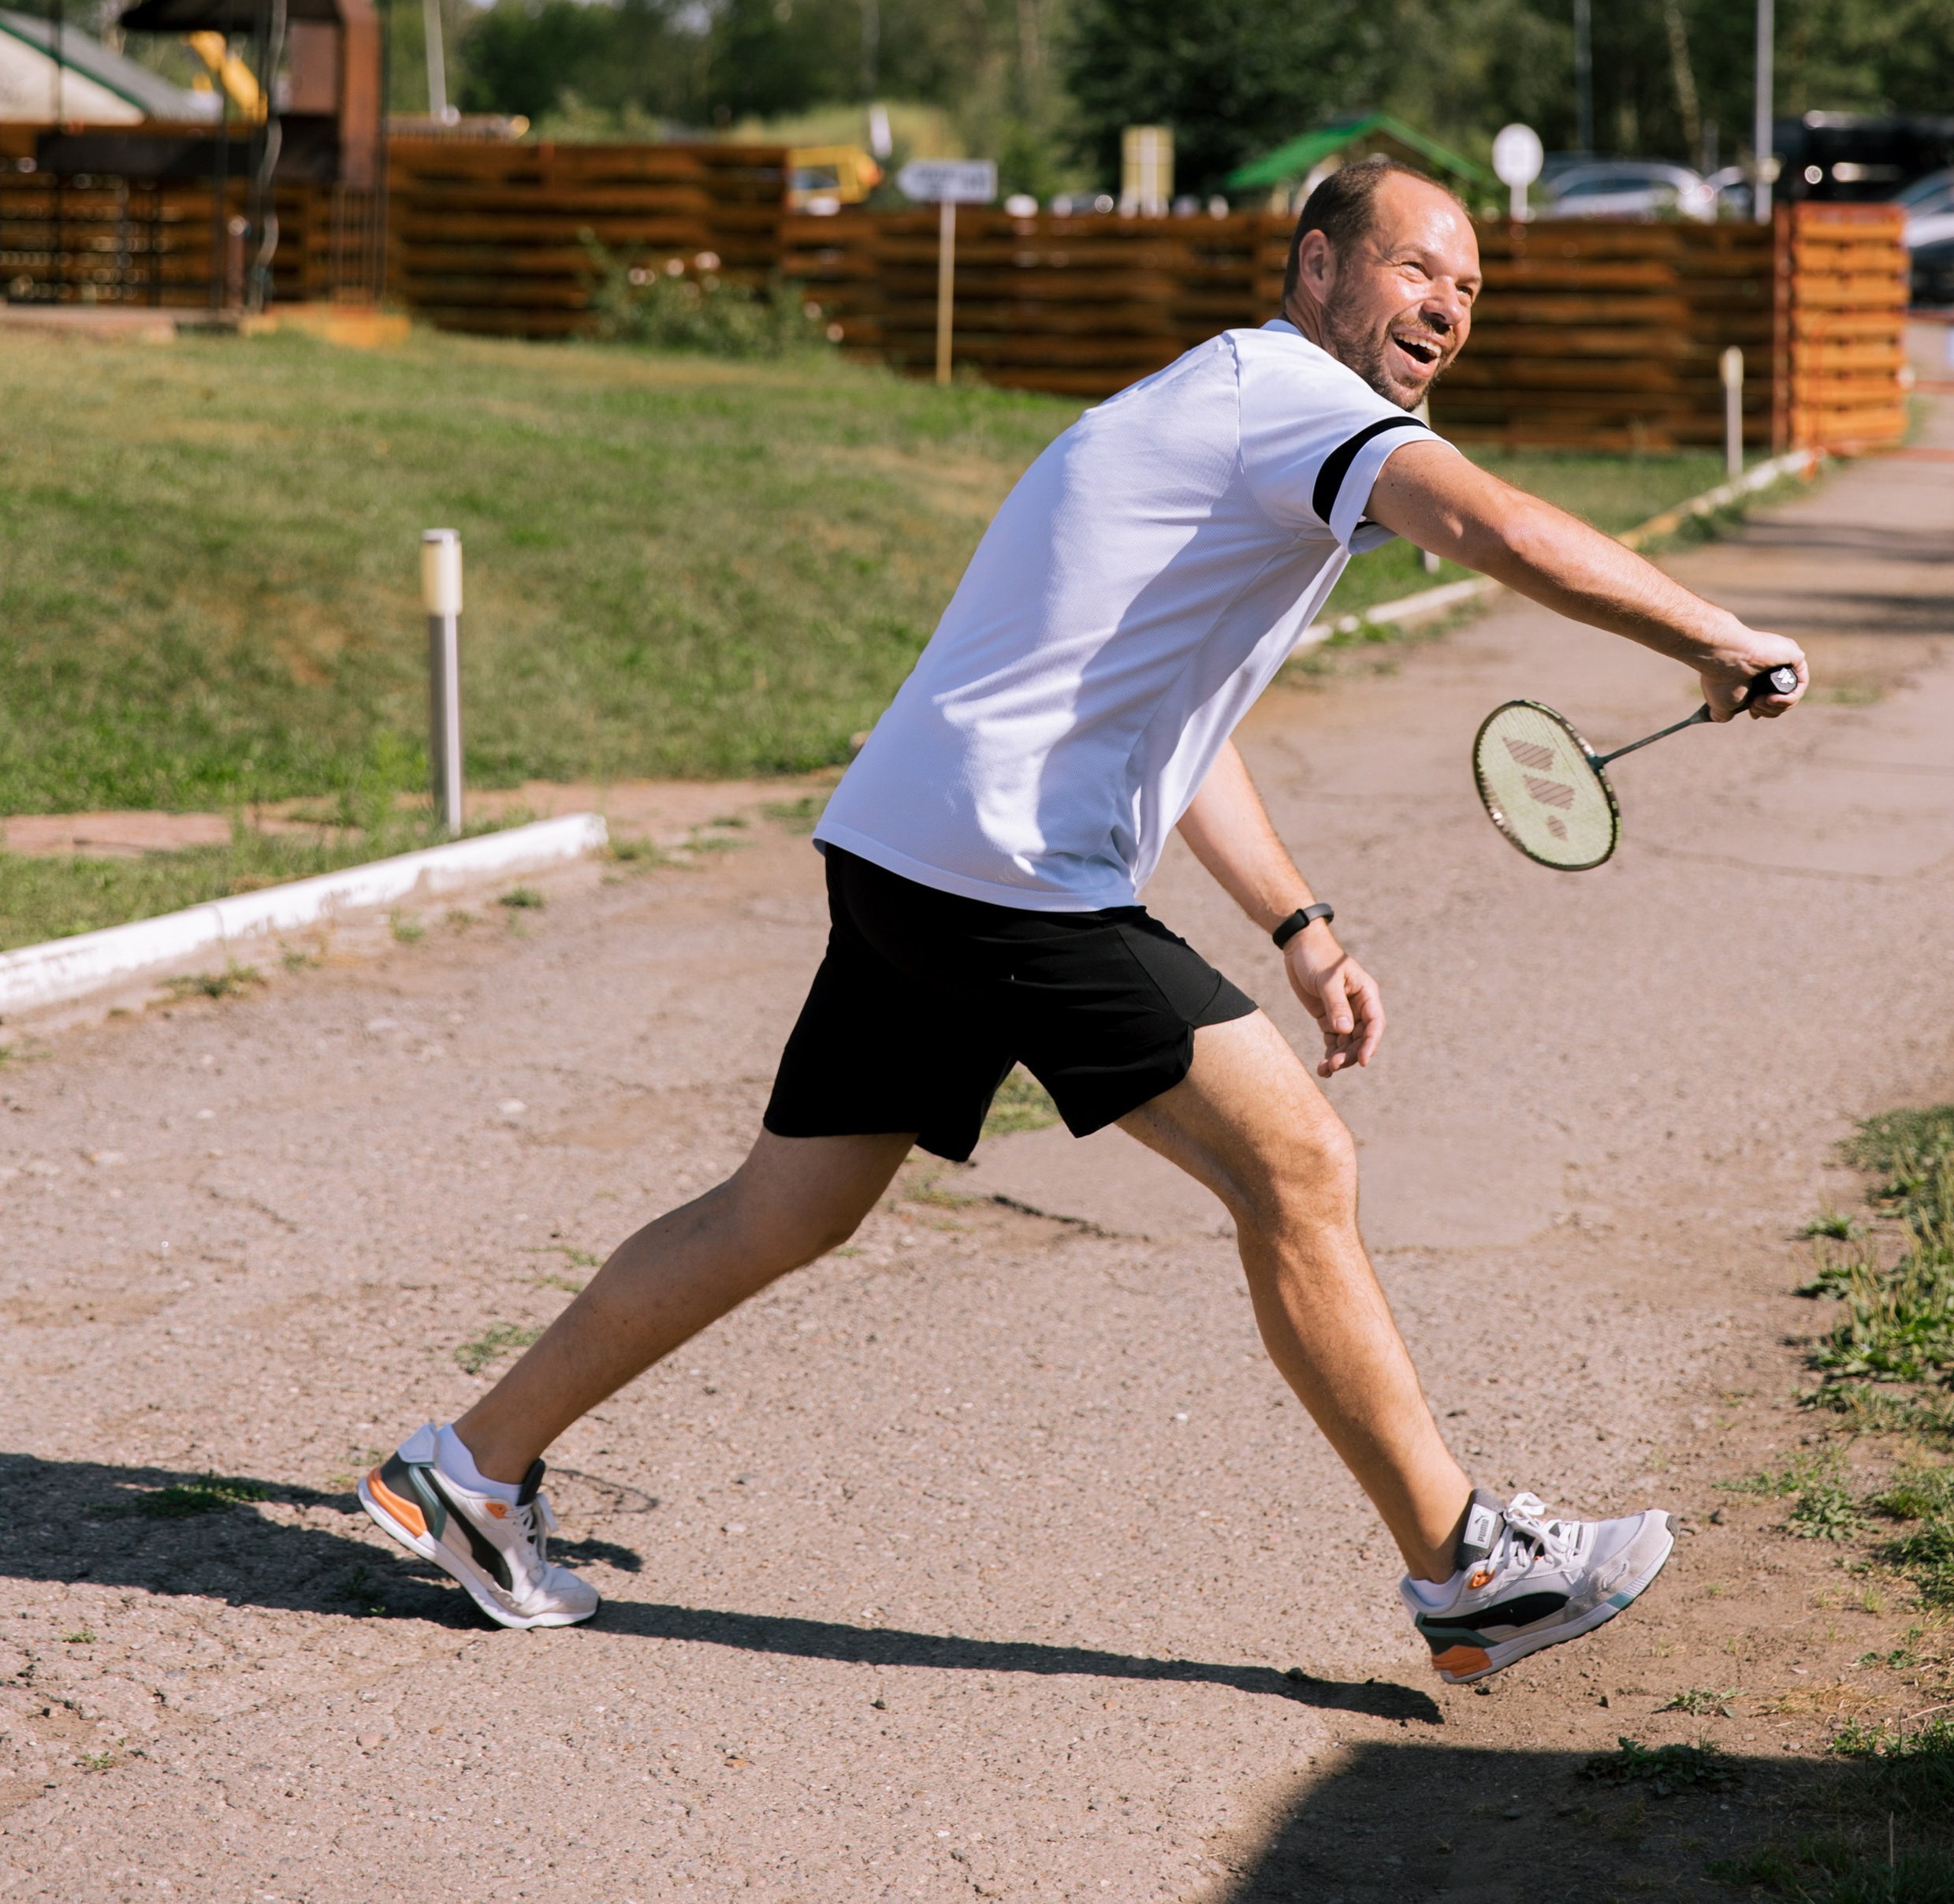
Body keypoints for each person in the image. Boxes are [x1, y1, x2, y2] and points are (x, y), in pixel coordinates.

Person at [360, 158, 1806, 1682]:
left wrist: (1299, 921)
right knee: (1298, 1166)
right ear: (1316, 266)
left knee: (784, 1207)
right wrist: (1711, 635)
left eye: (1467, 289)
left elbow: (1174, 713)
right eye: (1413, 269)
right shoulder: (1288, 400)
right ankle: (1466, 1568)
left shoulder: (1232, 418)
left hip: (912, 845)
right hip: (1004, 869)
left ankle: (473, 1463)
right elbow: (1497, 528)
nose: (1444, 305)